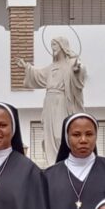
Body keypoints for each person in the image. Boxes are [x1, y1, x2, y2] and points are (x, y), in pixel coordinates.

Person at [17, 37, 87, 166]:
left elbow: (80, 74)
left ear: (62, 46)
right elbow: (38, 74)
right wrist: (26, 67)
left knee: (59, 134)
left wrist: (77, 70)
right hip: (49, 101)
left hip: (62, 101)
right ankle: (53, 164)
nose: (53, 47)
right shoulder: (52, 67)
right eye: (52, 45)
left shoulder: (71, 63)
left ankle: (63, 161)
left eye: (55, 44)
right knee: (49, 135)